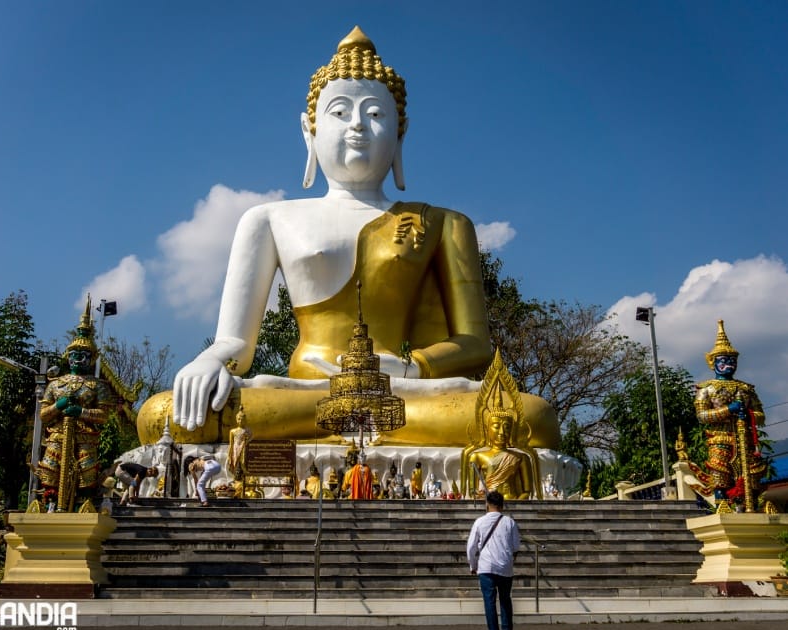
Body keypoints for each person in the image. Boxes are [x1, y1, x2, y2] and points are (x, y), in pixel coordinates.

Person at [160, 26, 560, 452]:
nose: (357, 126)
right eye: (339, 112)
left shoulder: (444, 223)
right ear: (308, 131)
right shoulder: (268, 219)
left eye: (374, 113)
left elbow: (475, 344)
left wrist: (410, 368)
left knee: (529, 418)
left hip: (404, 392)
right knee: (170, 414)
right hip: (305, 391)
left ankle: (352, 424)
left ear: (400, 133)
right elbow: (236, 344)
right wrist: (209, 362)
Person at [36, 297, 114, 511]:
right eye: (74, 355)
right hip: (58, 435)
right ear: (67, 356)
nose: (77, 359)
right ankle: (51, 504)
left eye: (83, 355)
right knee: (51, 471)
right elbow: (43, 415)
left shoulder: (97, 385)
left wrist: (81, 411)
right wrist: (58, 406)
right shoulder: (56, 384)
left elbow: (103, 416)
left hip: (84, 436)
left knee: (86, 474)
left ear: (91, 359)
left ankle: (82, 504)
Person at [694, 320, 766, 508]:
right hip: (720, 438)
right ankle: (722, 505)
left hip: (745, 438)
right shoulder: (706, 389)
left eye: (732, 360)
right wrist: (729, 410)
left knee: (751, 474)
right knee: (721, 473)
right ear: (713, 362)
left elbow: (761, 415)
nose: (729, 364)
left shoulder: (745, 388)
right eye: (723, 360)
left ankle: (749, 505)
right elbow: (702, 416)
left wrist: (749, 414)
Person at [466, 490, 520, 630]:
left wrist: (473, 565)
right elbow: (516, 547)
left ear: (487, 504)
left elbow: (471, 547)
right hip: (505, 566)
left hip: (486, 566)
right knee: (505, 599)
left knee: (489, 601)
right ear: (502, 505)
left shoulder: (479, 522)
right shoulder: (510, 522)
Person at [226, 406, 252, 475]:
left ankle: (245, 476)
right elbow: (231, 444)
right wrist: (229, 455)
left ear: (245, 420)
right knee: (235, 464)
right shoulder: (232, 431)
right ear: (236, 420)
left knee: (243, 463)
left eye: (242, 419)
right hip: (235, 448)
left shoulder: (247, 430)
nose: (240, 421)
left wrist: (246, 441)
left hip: (244, 448)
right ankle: (236, 478)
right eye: (239, 419)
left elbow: (251, 438)